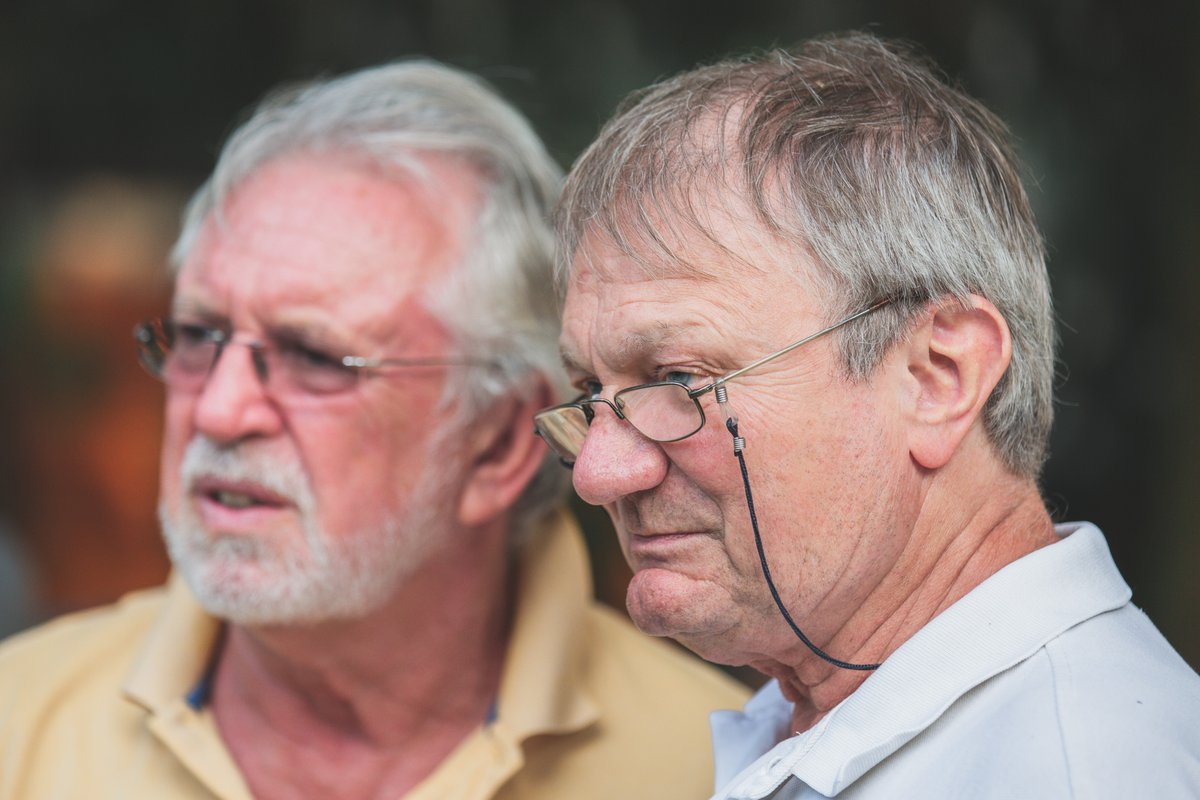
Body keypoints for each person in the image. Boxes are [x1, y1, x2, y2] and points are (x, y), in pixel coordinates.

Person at [0, 61, 748, 799]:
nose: (219, 411)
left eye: (313, 355)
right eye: (200, 335)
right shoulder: (19, 723)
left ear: (495, 444)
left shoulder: (723, 768)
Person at [535, 32, 1200, 798]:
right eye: (590, 393)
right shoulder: (824, 715)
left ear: (938, 377)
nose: (598, 472)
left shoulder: (1076, 773)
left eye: (679, 378)